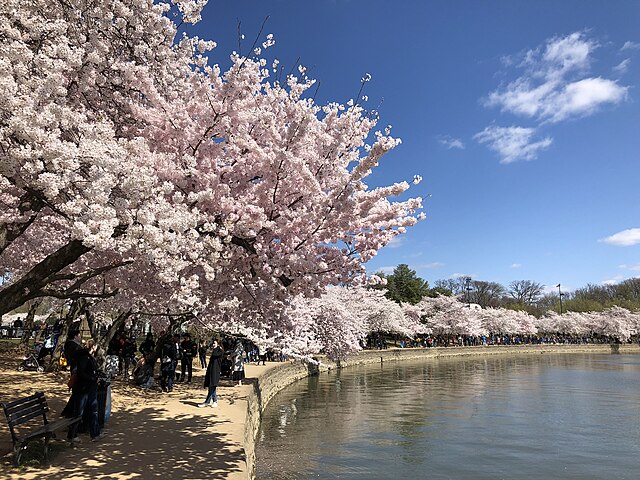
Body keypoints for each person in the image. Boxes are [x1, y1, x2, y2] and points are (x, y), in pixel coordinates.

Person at [67, 340, 101, 445]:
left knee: (93, 410)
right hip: (82, 389)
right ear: (93, 347)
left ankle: (95, 433)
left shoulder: (90, 357)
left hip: (90, 388)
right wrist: (92, 378)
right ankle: (72, 435)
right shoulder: (84, 357)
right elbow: (81, 373)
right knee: (79, 412)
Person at [198, 339, 223, 408]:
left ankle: (214, 401)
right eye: (213, 343)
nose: (213, 345)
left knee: (213, 386)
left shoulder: (219, 351)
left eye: (214, 343)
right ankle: (208, 401)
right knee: (211, 386)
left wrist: (215, 348)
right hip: (211, 370)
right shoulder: (216, 351)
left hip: (216, 371)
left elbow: (215, 354)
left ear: (218, 344)